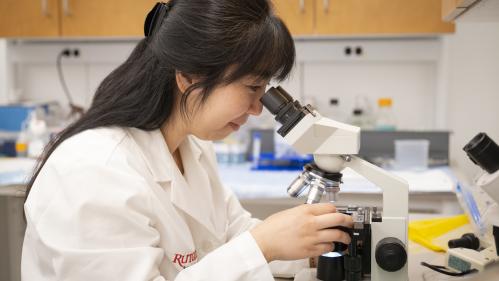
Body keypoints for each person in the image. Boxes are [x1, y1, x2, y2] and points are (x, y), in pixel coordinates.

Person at [21, 1, 353, 280]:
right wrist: (261, 244)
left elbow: (230, 234)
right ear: (188, 77)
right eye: (252, 88)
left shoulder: (191, 148)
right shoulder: (93, 172)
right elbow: (249, 246)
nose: (256, 109)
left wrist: (314, 251)